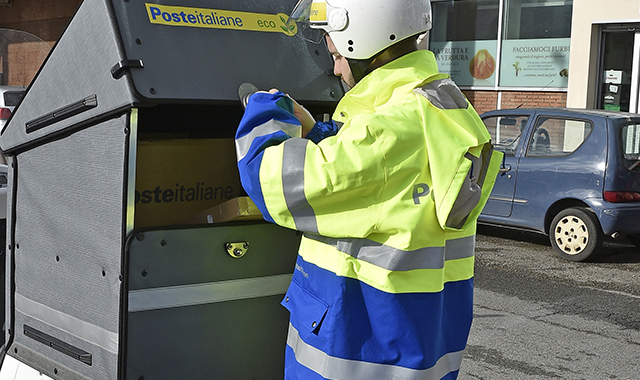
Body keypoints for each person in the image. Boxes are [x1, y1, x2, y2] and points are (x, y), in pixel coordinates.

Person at [235, 0, 503, 378]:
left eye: (337, 53)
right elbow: (381, 174)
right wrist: (320, 133)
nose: (335, 67)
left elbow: (272, 181)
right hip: (417, 343)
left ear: (365, 43)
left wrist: (264, 111)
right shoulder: (443, 105)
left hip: (356, 349)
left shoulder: (384, 135)